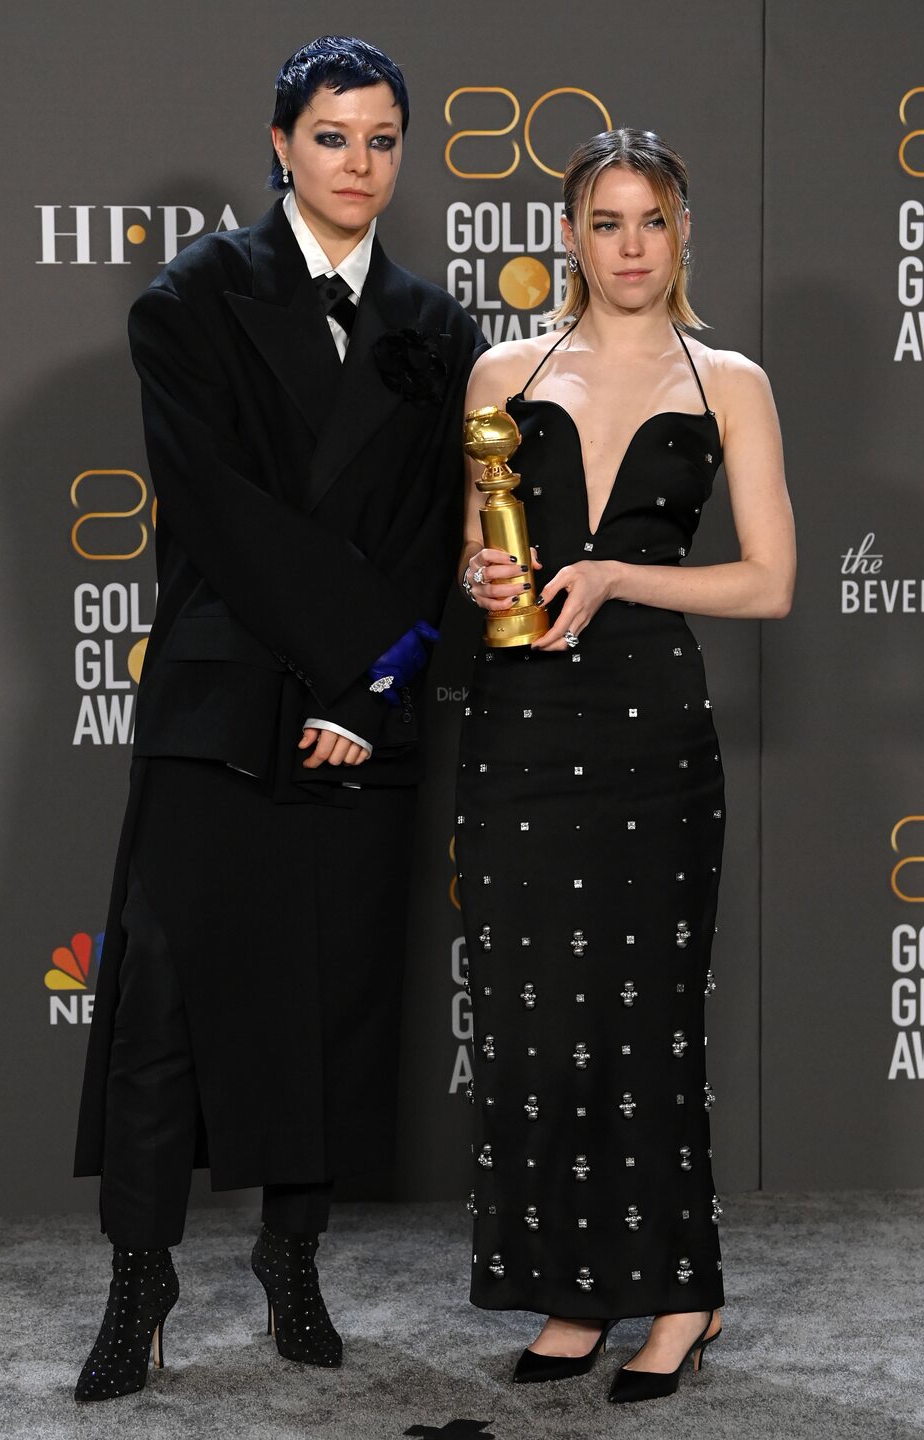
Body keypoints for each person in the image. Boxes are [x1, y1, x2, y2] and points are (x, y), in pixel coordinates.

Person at [72, 35, 484, 1402]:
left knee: (325, 1003)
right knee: (164, 1013)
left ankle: (290, 1260)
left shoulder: (439, 330)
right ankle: (142, 1285)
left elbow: (438, 536)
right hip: (221, 696)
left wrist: (374, 695)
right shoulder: (188, 301)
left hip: (363, 713)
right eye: (331, 137)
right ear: (279, 145)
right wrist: (346, 664)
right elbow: (224, 515)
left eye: (380, 139)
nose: (358, 163)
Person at [456, 127, 794, 1404]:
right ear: (571, 236)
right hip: (518, 732)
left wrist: (613, 573)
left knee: (646, 1028)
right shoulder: (504, 367)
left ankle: (685, 1294)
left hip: (652, 733)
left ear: (684, 231)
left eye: (652, 220)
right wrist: (490, 572)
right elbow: (474, 558)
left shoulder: (731, 382)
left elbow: (769, 581)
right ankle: (574, 1292)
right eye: (607, 222)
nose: (632, 246)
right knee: (534, 1029)